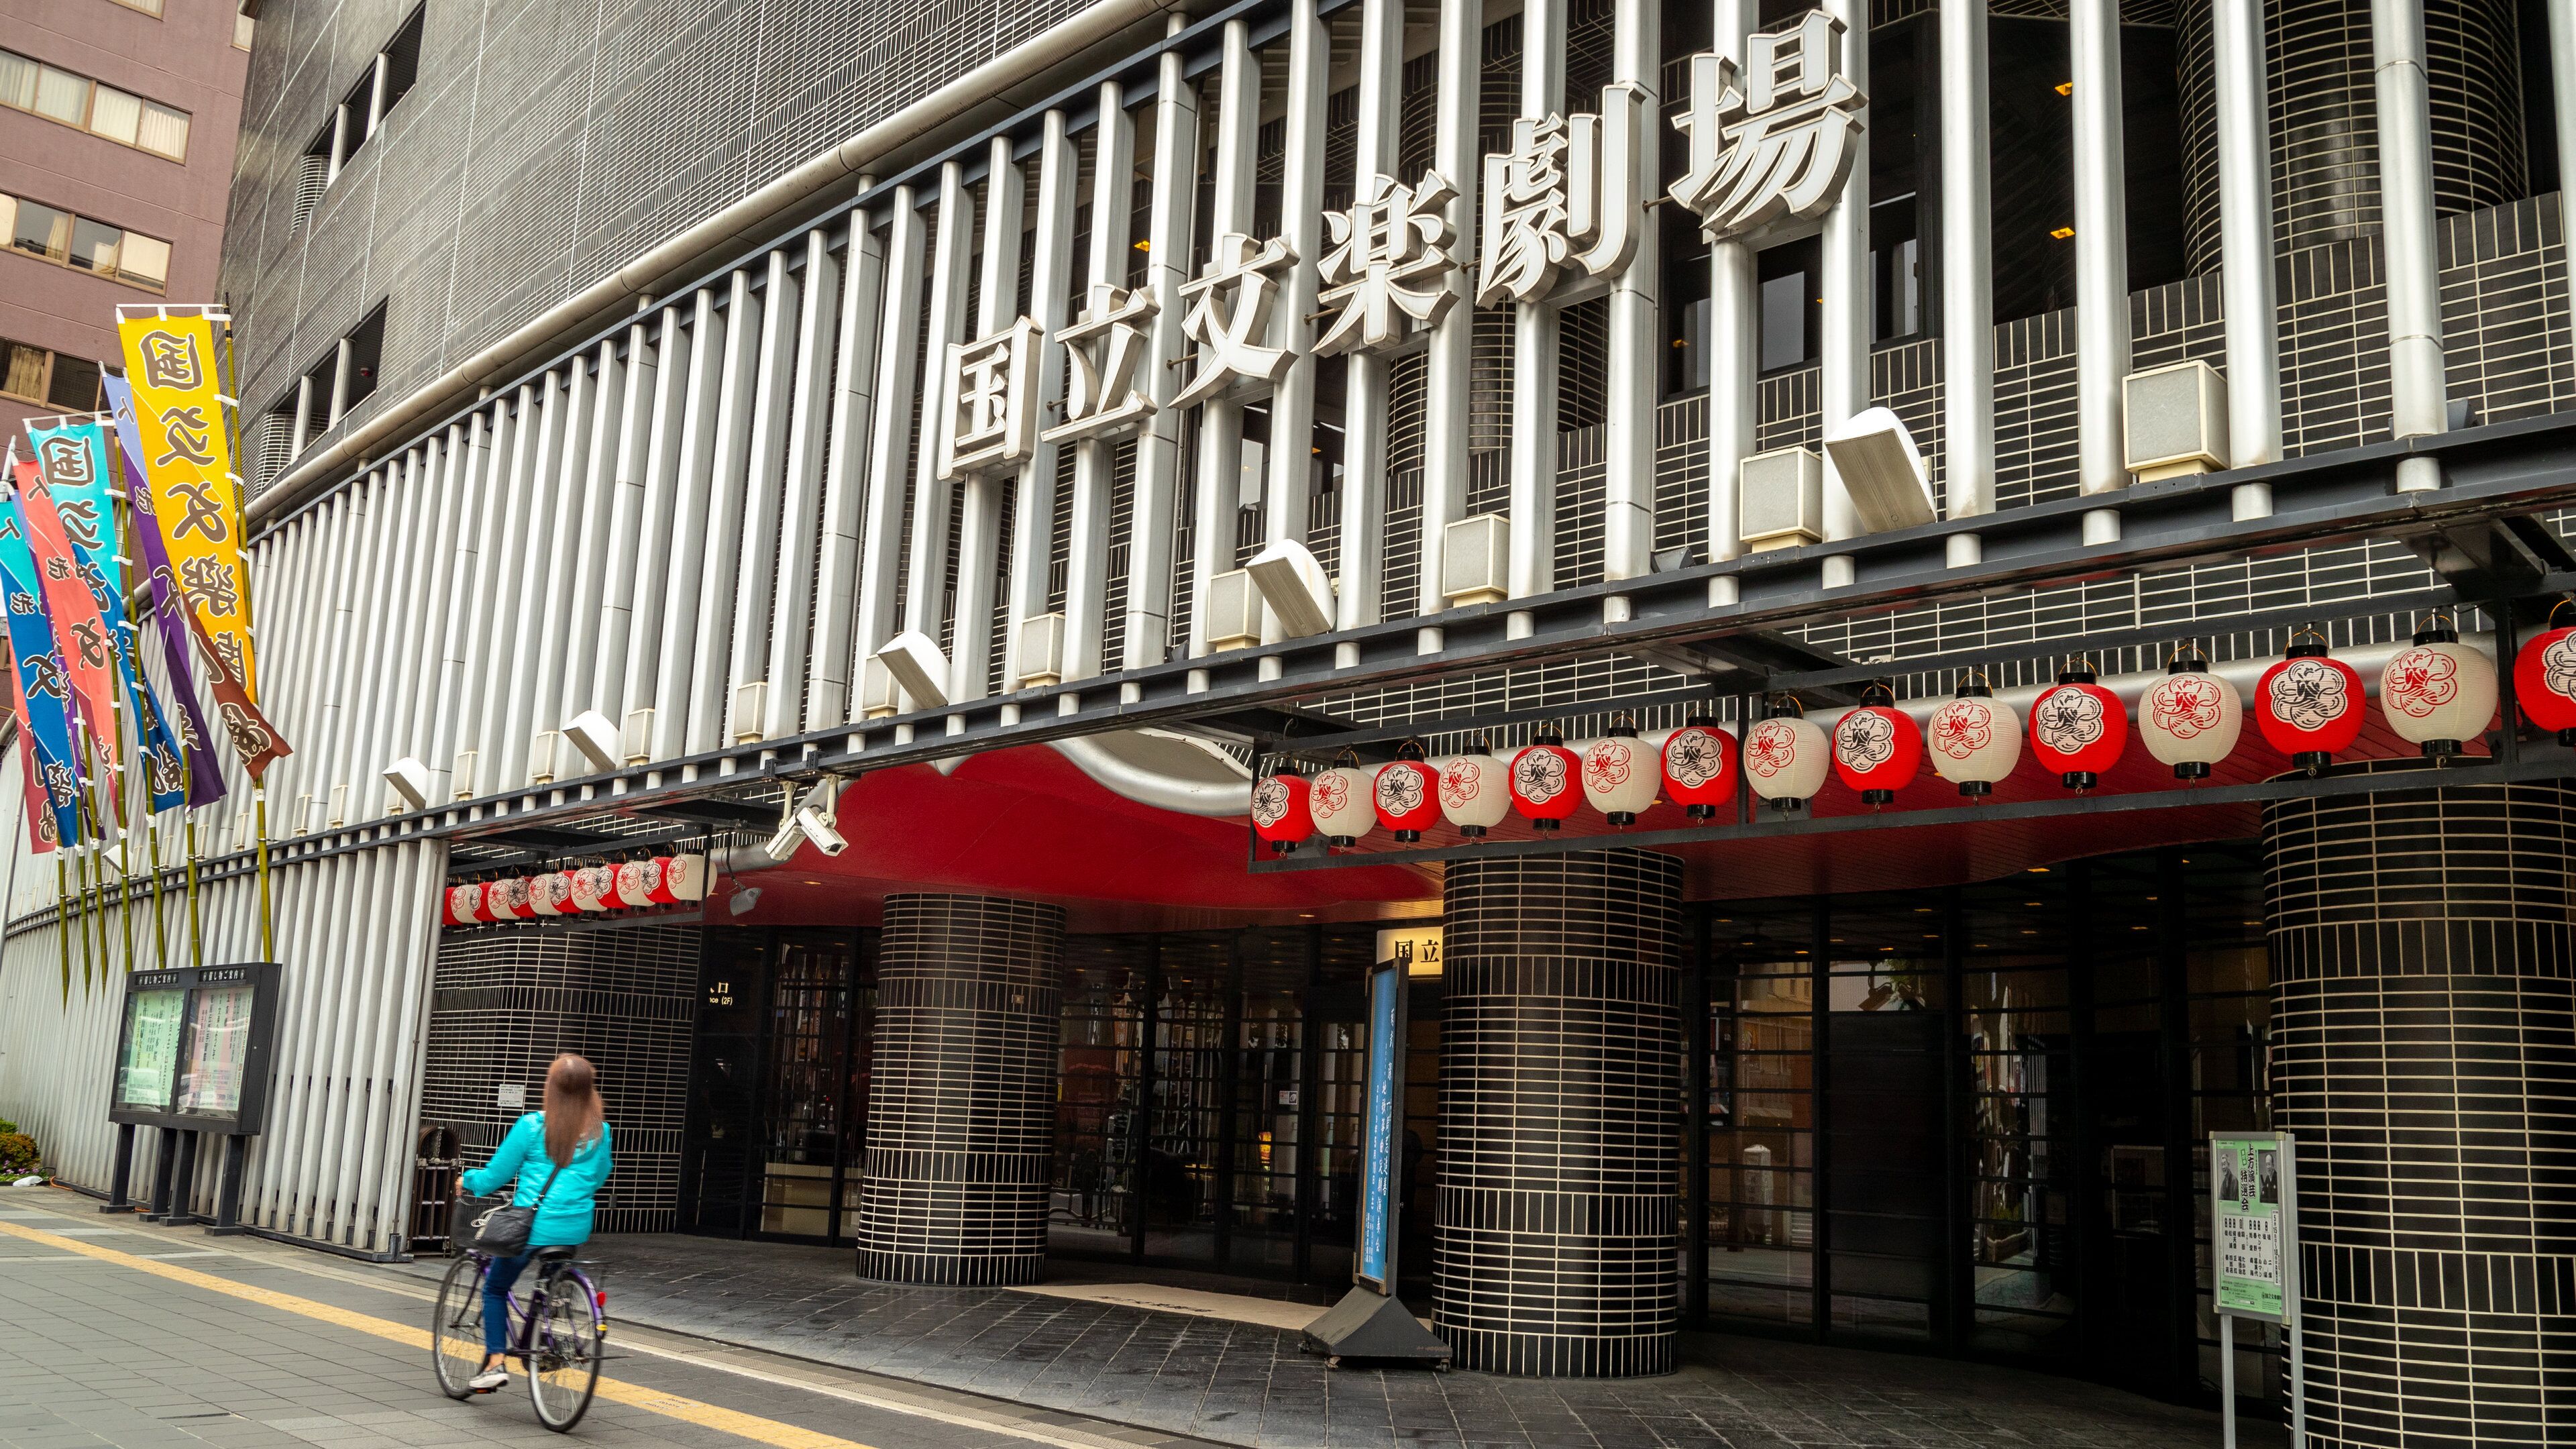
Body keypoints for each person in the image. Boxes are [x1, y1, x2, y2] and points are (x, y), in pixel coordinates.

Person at [457, 1053, 614, 1393]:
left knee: (496, 1289)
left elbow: (494, 1177)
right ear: (590, 1091)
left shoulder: (531, 1126)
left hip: (530, 1228)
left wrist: (466, 1181)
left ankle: (496, 1363)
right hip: (573, 1227)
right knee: (549, 1284)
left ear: (552, 1088)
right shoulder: (601, 1132)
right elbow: (599, 1177)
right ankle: (548, 1342)